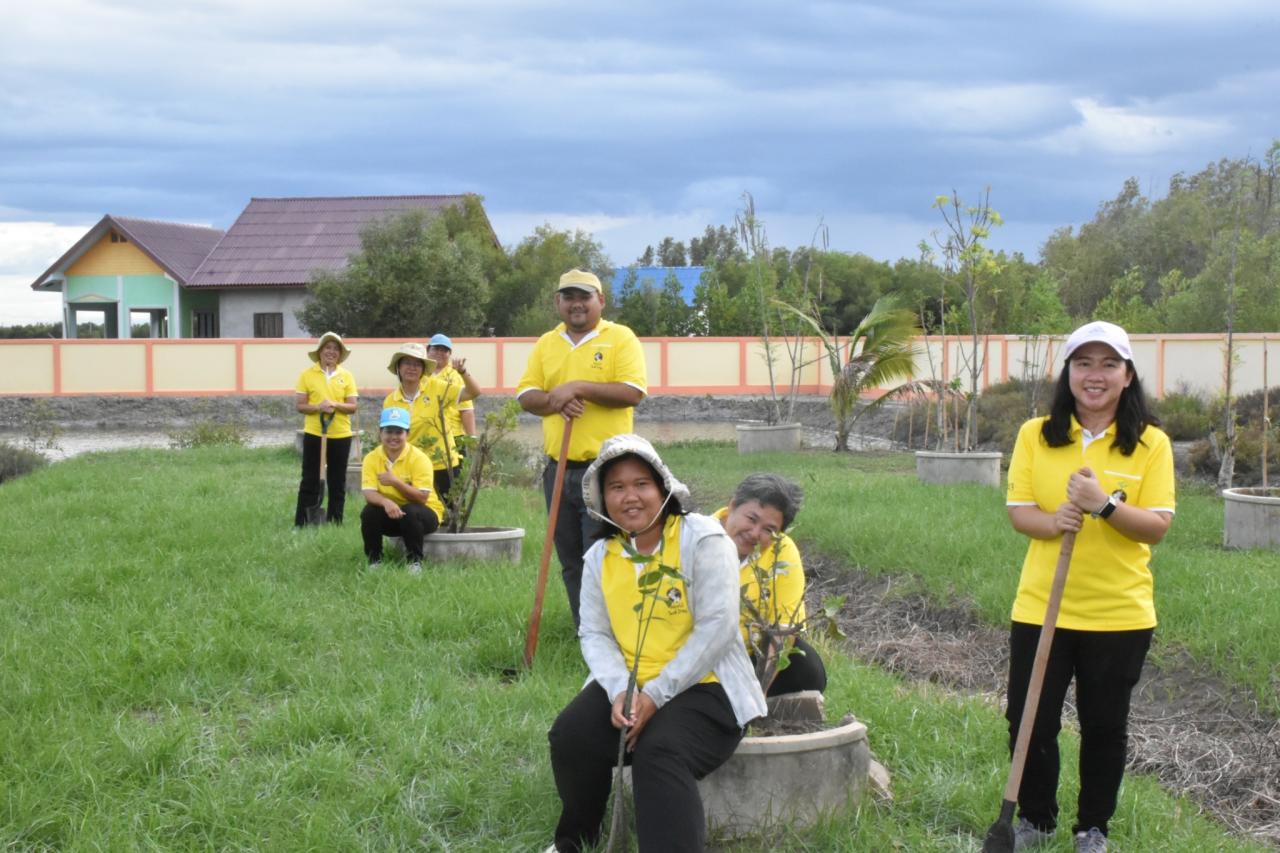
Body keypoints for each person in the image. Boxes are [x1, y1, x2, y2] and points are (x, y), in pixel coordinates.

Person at [546, 434, 767, 853]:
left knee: (659, 751)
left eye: (641, 484)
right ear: (602, 498)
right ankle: (575, 840)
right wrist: (620, 691)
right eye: (616, 487)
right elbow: (593, 633)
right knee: (571, 736)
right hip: (631, 685)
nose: (630, 497)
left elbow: (718, 628)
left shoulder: (702, 538)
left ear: (663, 488)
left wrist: (656, 695)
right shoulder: (600, 558)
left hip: (706, 686)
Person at [1003, 321, 1175, 853]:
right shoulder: (1037, 433)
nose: (1094, 375)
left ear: (1127, 376)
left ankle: (1092, 827)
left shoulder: (1151, 443)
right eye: (1083, 363)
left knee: (1104, 726)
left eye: (1107, 365)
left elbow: (1158, 526)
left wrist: (1104, 505)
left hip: (1119, 614)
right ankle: (1035, 818)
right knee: (1029, 717)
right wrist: (1056, 521)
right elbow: (1019, 511)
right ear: (1068, 373)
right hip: (1041, 608)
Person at [517, 269, 647, 628]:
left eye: (585, 297)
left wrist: (577, 387)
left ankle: (615, 631)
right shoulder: (547, 343)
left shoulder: (620, 338)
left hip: (606, 471)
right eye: (569, 296)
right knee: (570, 557)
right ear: (558, 302)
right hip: (558, 468)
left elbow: (632, 392)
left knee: (602, 555)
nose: (577, 304)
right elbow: (527, 396)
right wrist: (556, 401)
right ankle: (585, 631)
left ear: (600, 301)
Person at [716, 473, 827, 697]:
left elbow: (783, 631)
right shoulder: (697, 536)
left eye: (769, 529)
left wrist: (758, 693)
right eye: (751, 519)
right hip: (697, 653)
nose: (755, 534)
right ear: (732, 505)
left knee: (806, 667)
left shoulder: (782, 552)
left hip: (748, 653)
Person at [382, 342, 481, 507]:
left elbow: (473, 392)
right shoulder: (391, 401)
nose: (412, 368)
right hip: (412, 466)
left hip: (442, 462)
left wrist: (462, 372)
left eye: (417, 364)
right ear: (398, 367)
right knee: (417, 514)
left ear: (423, 369)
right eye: (407, 363)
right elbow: (388, 437)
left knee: (451, 513)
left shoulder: (437, 387)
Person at [360, 407, 444, 575]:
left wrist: (396, 482)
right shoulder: (371, 458)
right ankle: (374, 561)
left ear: (407, 434)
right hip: (391, 514)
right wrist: (385, 502)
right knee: (369, 512)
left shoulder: (419, 459)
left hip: (424, 514)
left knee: (410, 510)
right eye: (388, 431)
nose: (393, 437)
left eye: (399, 432)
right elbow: (369, 493)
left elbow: (421, 498)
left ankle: (414, 563)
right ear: (380, 433)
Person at [293, 331, 358, 527]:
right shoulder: (307, 375)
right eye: (327, 348)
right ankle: (303, 522)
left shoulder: (347, 376)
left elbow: (352, 406)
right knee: (310, 479)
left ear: (340, 354)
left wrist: (335, 405)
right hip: (315, 433)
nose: (331, 352)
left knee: (337, 482)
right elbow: (300, 406)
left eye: (335, 349)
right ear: (320, 351)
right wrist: (318, 407)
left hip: (340, 435)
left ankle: (335, 521)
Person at [426, 332, 477, 444]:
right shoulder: (421, 373)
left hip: (453, 436)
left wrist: (472, 438)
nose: (439, 353)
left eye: (444, 350)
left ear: (449, 354)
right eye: (436, 349)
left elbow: (466, 410)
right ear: (427, 350)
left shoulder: (456, 375)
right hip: (426, 435)